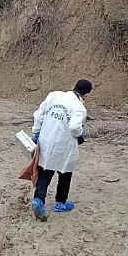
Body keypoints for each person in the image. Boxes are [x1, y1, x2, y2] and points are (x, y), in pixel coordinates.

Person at [29, 79, 92, 221]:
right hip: (64, 145)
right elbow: (75, 127)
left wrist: (36, 131)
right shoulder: (79, 107)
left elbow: (39, 115)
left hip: (46, 139)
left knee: (45, 172)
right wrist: (81, 133)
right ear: (86, 95)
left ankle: (38, 200)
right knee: (65, 172)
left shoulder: (54, 96)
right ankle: (60, 202)